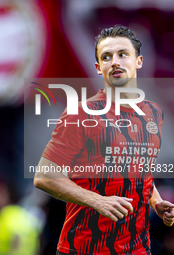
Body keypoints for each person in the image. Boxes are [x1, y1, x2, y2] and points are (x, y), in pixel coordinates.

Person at [34, 25, 174, 255]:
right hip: (84, 248)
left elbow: (142, 169)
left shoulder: (153, 113)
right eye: (107, 57)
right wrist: (98, 201)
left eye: (123, 54)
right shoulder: (80, 114)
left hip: (138, 249)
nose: (115, 62)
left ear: (138, 61)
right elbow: (44, 177)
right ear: (99, 68)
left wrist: (155, 202)